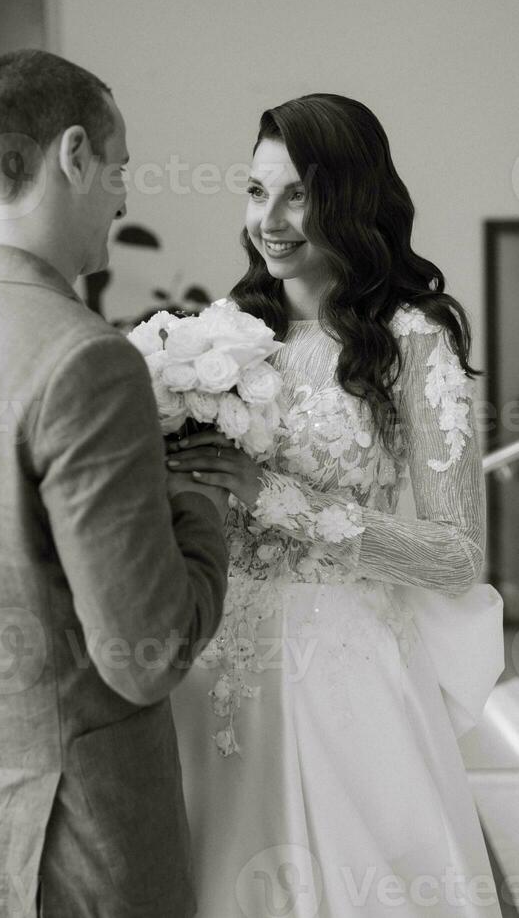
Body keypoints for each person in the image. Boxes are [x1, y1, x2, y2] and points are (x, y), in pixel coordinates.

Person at [0, 49, 229, 918]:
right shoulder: (84, 359)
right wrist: (207, 507)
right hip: (77, 847)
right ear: (73, 154)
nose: (123, 195)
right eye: (119, 167)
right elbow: (143, 659)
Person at [167, 94, 504, 917]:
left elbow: (458, 553)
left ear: (349, 200)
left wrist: (271, 495)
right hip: (217, 663)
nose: (270, 220)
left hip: (344, 665)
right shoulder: (226, 336)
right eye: (255, 192)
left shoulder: (412, 336)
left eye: (297, 195)